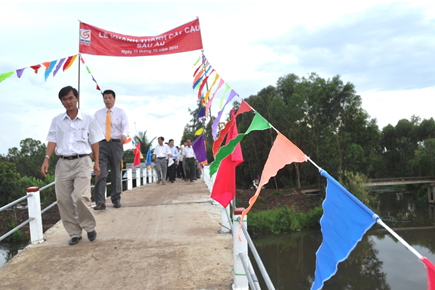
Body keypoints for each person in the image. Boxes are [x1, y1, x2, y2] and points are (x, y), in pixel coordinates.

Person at [41, 86, 104, 246]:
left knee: (81, 197)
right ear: (61, 101)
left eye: (70, 98)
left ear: (77, 98)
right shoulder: (57, 120)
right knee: (63, 199)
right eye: (64, 99)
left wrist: (96, 162)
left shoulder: (88, 118)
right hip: (62, 163)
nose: (68, 102)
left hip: (83, 161)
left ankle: (89, 227)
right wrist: (47, 158)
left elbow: (95, 141)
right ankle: (74, 233)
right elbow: (52, 140)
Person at [93, 89, 129, 210]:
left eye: (110, 98)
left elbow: (126, 125)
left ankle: (116, 198)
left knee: (116, 172)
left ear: (114, 99)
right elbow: (92, 130)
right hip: (101, 144)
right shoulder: (97, 114)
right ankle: (100, 202)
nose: (107, 100)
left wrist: (124, 134)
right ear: (103, 99)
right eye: (105, 98)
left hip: (116, 143)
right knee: (101, 172)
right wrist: (91, 148)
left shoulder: (120, 112)